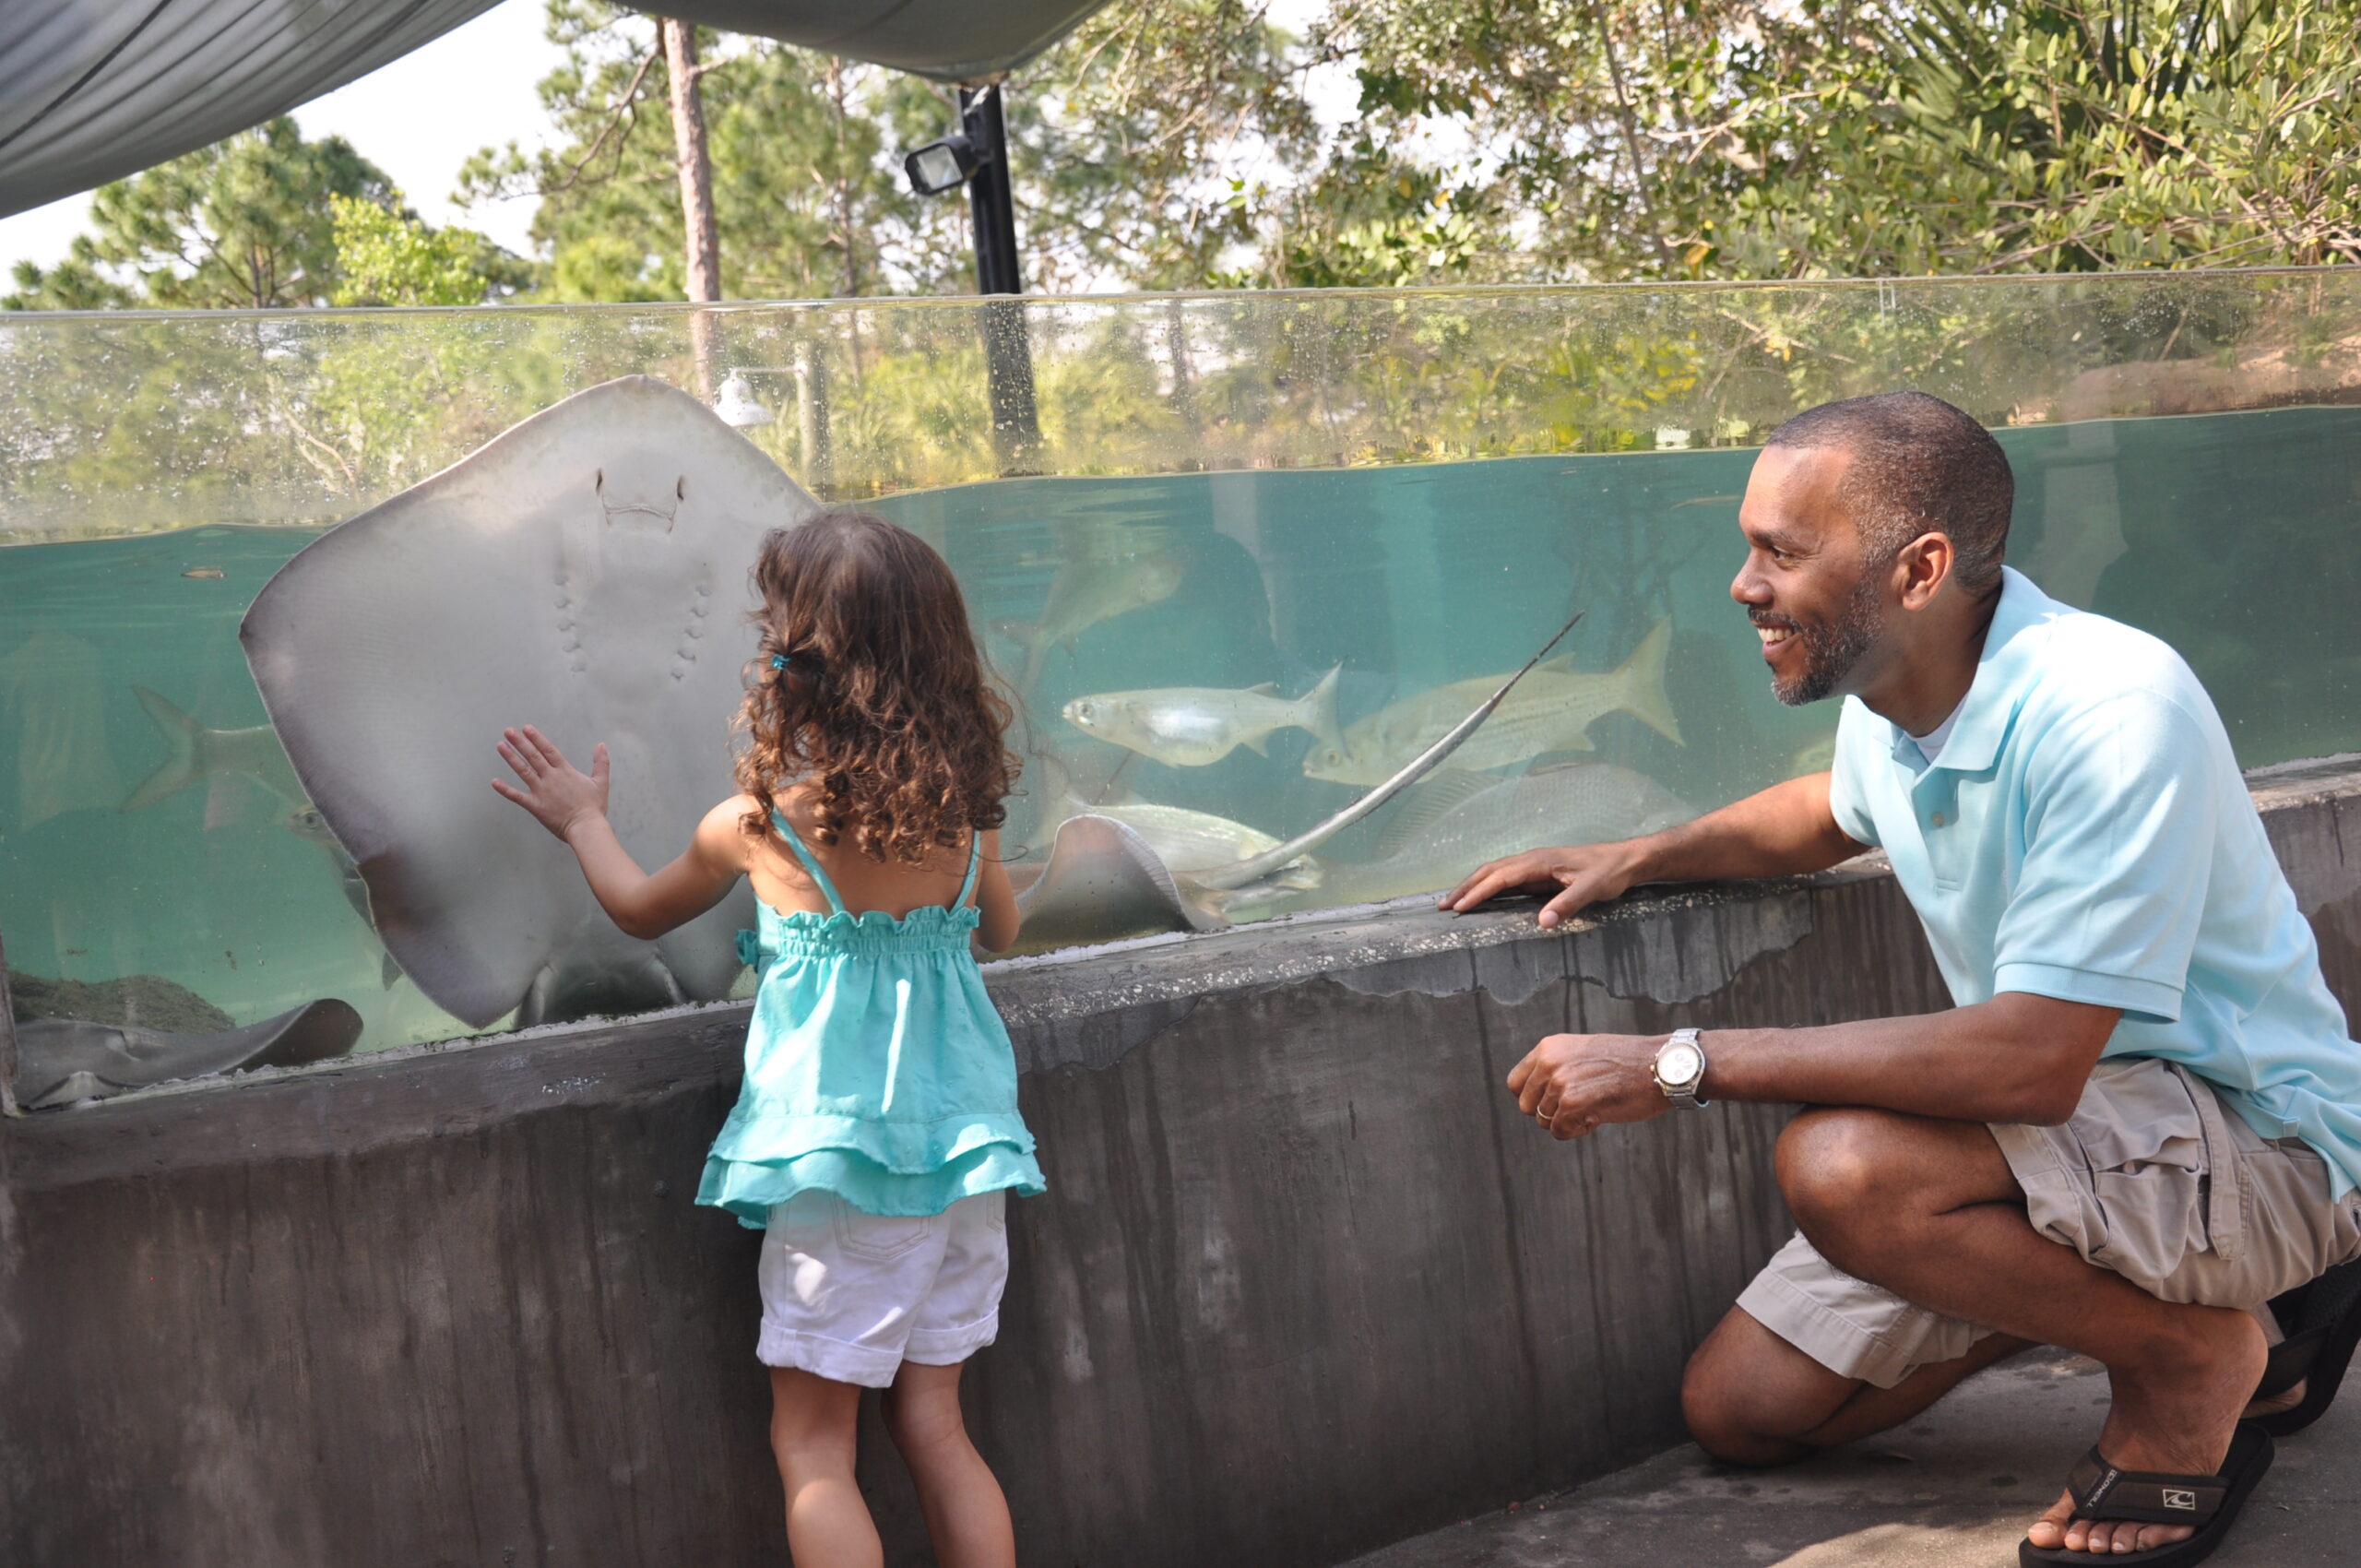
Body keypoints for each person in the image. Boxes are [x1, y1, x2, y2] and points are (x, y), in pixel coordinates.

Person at [1443, 392, 2361, 1566]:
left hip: (2257, 1141)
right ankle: (2210, 1319)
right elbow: (1824, 812)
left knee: (1841, 1166)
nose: (1742, 583)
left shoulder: (2109, 707)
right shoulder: (1903, 687)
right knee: (1744, 1411)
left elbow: (2032, 1059)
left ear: (1920, 567)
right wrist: (1643, 853)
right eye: (1748, 543)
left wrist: (1680, 1060)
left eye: (1782, 550)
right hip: (2082, 1140)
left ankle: (2189, 1358)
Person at [492, 509, 1044, 1568]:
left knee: (813, 1446)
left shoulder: (759, 824)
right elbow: (1000, 932)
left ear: (794, 665)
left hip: (840, 1167)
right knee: (936, 1424)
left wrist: (582, 820)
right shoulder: (963, 819)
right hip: (968, 1156)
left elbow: (639, 910)